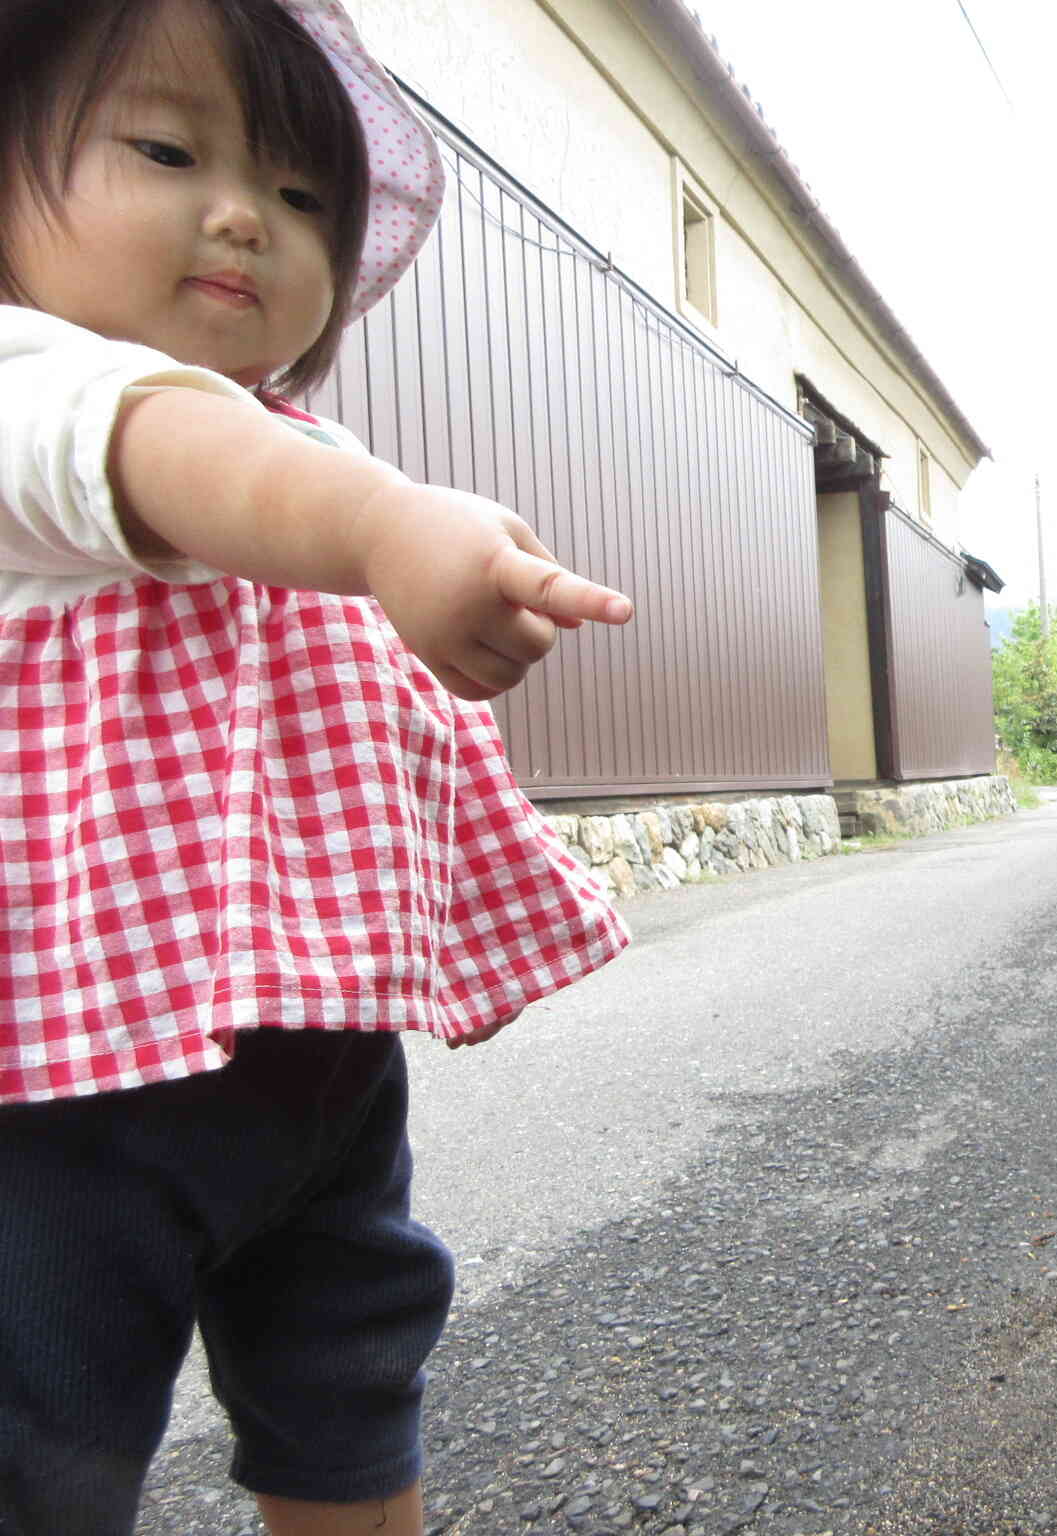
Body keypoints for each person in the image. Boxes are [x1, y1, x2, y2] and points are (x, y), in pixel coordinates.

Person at [0, 1, 634, 1530]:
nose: (244, 216)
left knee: (353, 1366)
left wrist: (425, 564)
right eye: (166, 148)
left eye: (302, 197)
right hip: (75, 1088)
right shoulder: (37, 384)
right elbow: (163, 449)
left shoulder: (303, 447)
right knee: (48, 1432)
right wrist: (381, 527)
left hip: (321, 1049)